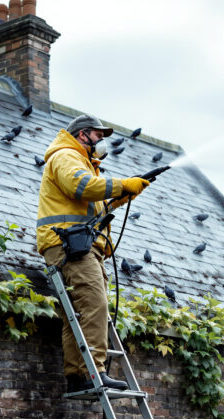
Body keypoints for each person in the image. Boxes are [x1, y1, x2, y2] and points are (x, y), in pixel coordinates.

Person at [36, 114, 150, 393]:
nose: (102, 142)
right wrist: (124, 184)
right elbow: (82, 187)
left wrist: (121, 198)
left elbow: (91, 208)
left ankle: (77, 375)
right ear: (84, 134)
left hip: (78, 245)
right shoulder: (66, 156)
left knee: (77, 312)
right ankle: (92, 372)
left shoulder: (85, 165)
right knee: (94, 306)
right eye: (99, 136)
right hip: (69, 247)